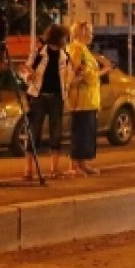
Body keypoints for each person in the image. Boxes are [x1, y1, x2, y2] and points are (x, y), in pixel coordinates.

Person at [24, 24, 72, 179]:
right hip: (38, 96)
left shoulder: (65, 56)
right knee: (34, 132)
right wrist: (28, 76)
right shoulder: (39, 53)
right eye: (64, 37)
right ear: (58, 38)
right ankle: (28, 170)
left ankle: (54, 170)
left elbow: (69, 77)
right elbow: (26, 70)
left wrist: (75, 75)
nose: (66, 40)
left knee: (56, 133)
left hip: (57, 97)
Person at [67, 21, 101, 176]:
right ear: (82, 33)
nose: (92, 35)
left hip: (88, 98)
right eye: (90, 32)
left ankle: (82, 164)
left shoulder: (83, 49)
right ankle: (74, 166)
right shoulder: (76, 49)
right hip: (80, 99)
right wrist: (94, 74)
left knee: (87, 133)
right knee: (80, 132)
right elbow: (77, 71)